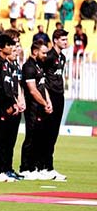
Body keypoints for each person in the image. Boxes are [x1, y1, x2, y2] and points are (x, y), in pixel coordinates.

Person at [19, 41, 53, 178]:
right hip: (33, 107)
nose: (46, 55)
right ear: (35, 52)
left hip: (41, 106)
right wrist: (45, 103)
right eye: (43, 52)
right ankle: (25, 168)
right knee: (31, 137)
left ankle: (35, 167)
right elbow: (32, 91)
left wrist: (48, 101)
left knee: (39, 137)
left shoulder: (39, 66)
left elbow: (42, 86)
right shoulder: (28, 67)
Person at [0, 35, 22, 181]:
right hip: (2, 107)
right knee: (0, 140)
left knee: (9, 141)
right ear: (0, 47)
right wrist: (8, 106)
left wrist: (15, 103)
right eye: (8, 45)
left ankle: (5, 168)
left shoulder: (8, 65)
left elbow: (11, 88)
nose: (11, 48)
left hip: (10, 106)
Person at [40, 29, 68, 181]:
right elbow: (42, 78)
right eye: (63, 39)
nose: (65, 42)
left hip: (59, 95)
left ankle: (47, 166)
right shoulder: (49, 56)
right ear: (55, 40)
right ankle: (44, 166)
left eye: (66, 39)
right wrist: (46, 98)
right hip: (50, 96)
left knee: (54, 132)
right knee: (47, 132)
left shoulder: (62, 57)